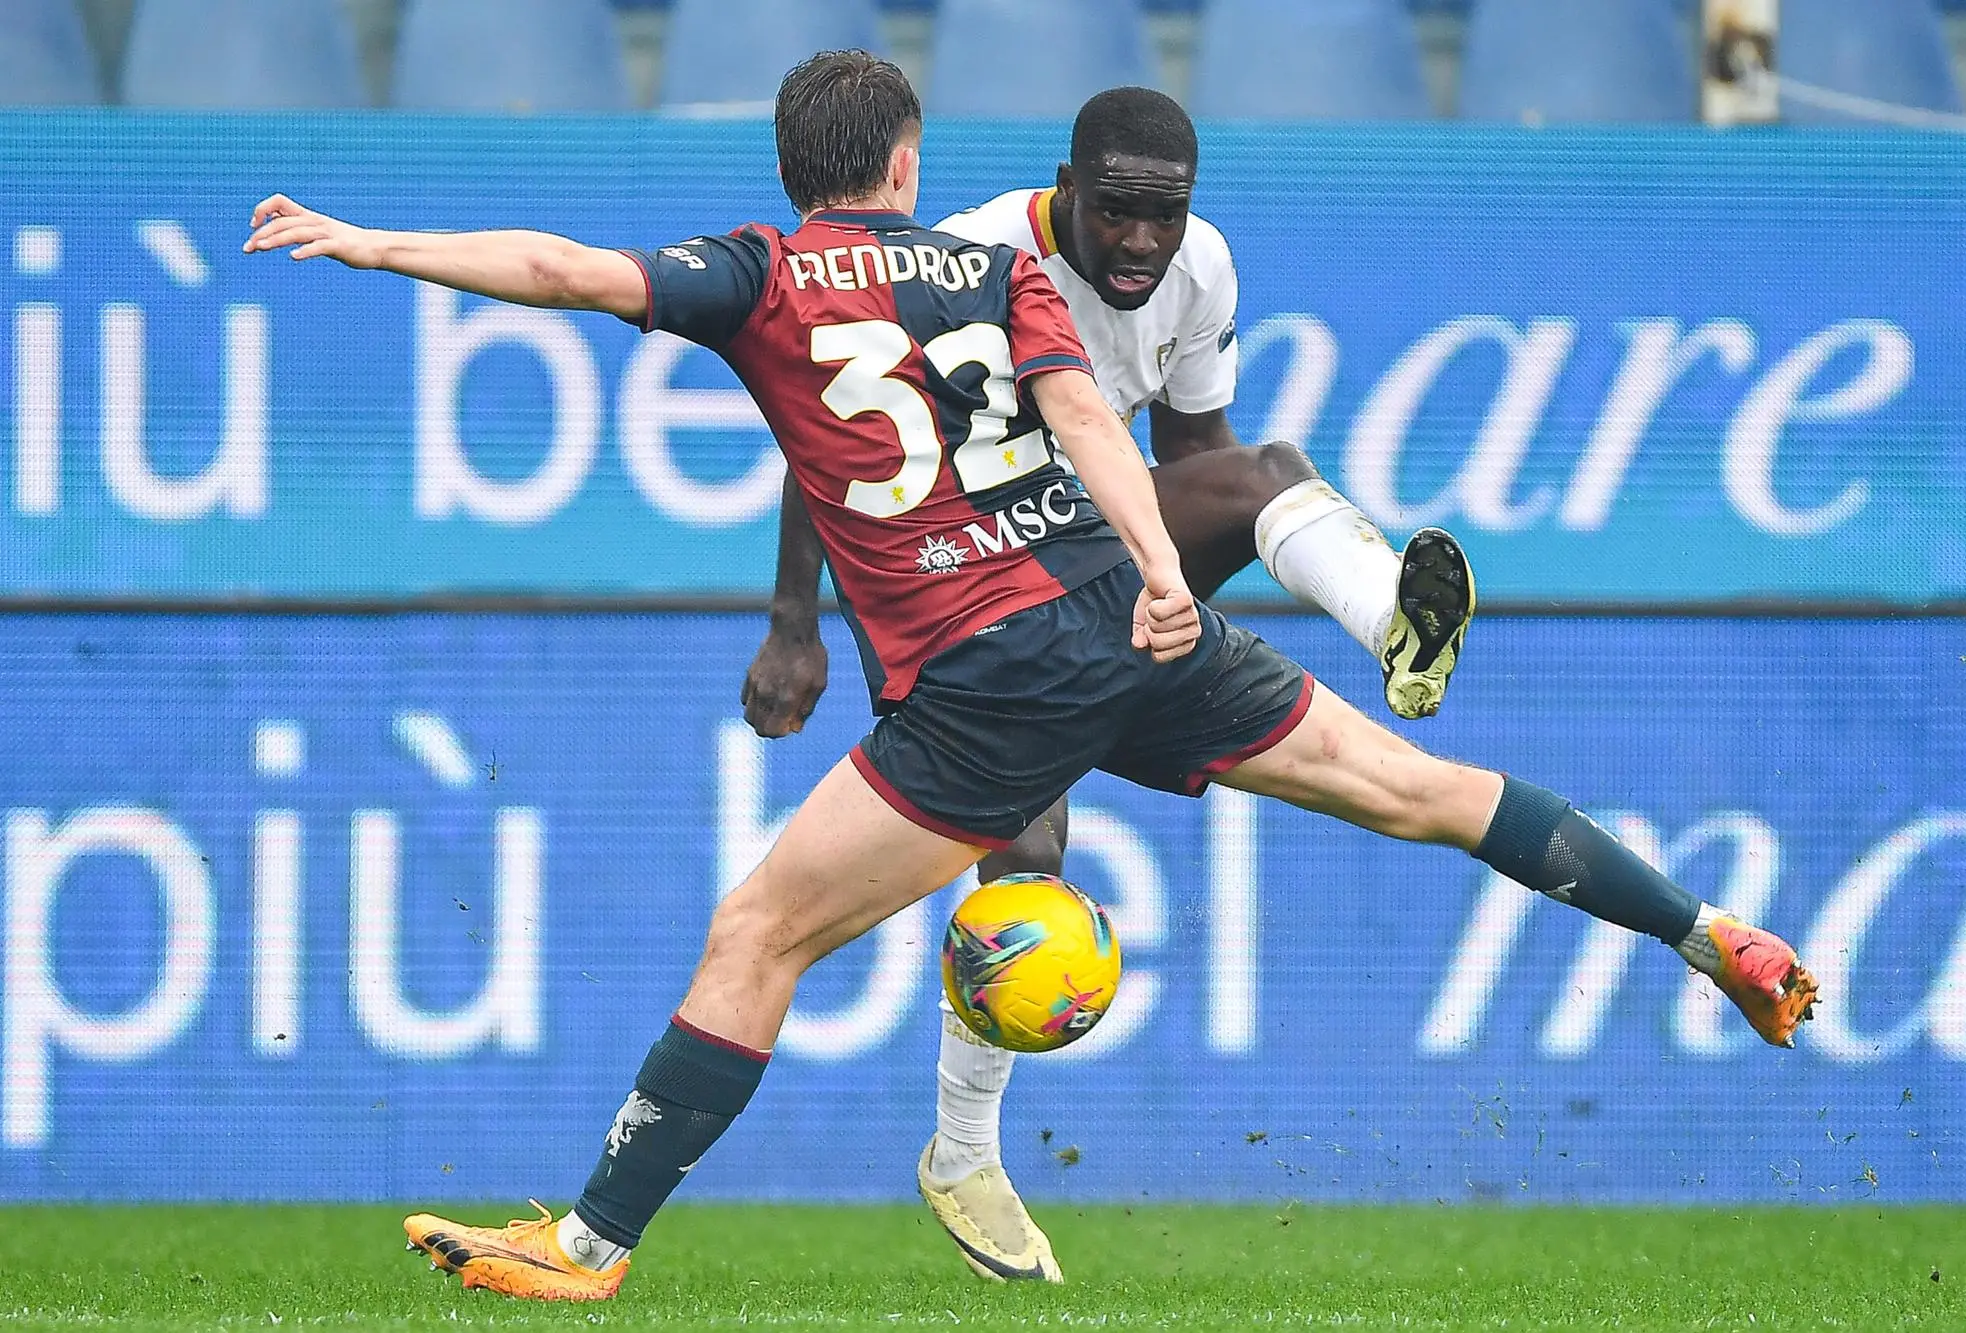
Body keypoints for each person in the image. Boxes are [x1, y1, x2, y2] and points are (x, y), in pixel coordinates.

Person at [246, 50, 1818, 1305]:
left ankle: (586, 1248)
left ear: (798, 172)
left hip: (986, 668)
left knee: (759, 933)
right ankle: (1709, 931)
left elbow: (563, 269)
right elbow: (1087, 426)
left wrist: (366, 240)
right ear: (908, 161)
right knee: (1427, 792)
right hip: (1115, 605)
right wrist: (1152, 573)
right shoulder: (987, 269)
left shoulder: (762, 274)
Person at [740, 88, 1475, 1281]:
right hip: (951, 576)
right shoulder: (963, 256)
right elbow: (836, 444)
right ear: (1066, 189)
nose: (1143, 239)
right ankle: (963, 1153)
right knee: (1026, 854)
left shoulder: (1202, 268)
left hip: (1090, 552)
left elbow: (1193, 462)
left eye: (1166, 214)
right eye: (1119, 211)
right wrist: (792, 625)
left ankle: (1394, 619)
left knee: (1262, 472)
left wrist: (1159, 615)